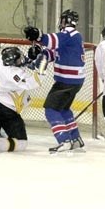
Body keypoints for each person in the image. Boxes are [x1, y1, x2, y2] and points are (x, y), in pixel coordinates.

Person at [23, 9, 86, 153]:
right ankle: (75, 139)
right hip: (73, 80)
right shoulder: (69, 38)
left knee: (51, 110)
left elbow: (52, 40)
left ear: (65, 21)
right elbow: (51, 53)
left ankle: (64, 140)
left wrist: (38, 35)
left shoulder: (70, 34)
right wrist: (37, 54)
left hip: (67, 81)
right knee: (63, 109)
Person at [0, 46, 47, 153]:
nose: (21, 60)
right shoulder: (13, 75)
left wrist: (30, 60)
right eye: (19, 59)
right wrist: (42, 67)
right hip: (7, 112)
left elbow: (19, 62)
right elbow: (33, 83)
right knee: (21, 143)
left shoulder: (1, 61)